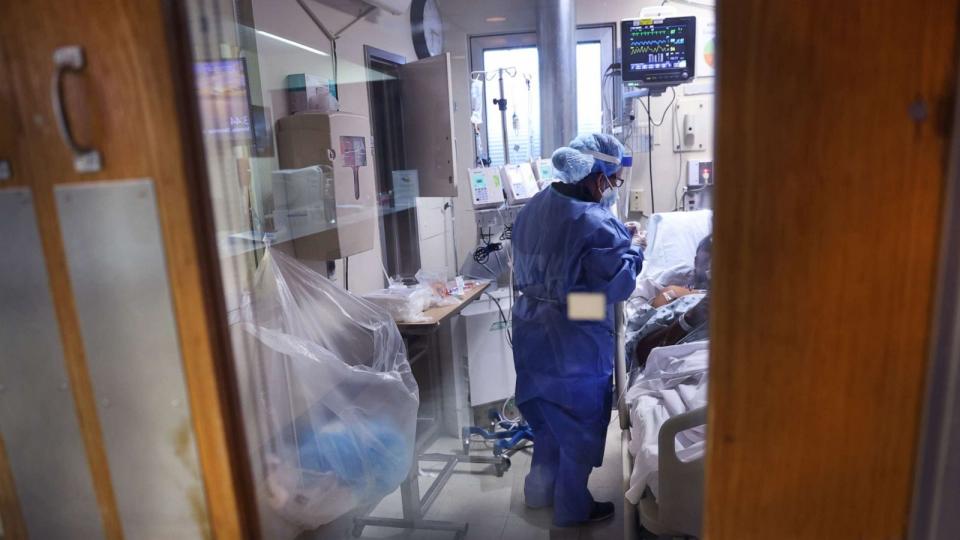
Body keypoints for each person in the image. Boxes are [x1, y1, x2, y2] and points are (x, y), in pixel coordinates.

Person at [511, 133, 643, 527]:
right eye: (613, 180)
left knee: (546, 418)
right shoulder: (595, 222)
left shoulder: (533, 206)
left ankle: (538, 492)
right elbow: (616, 287)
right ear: (597, 177)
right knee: (579, 422)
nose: (613, 188)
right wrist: (635, 246)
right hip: (575, 325)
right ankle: (572, 508)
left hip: (531, 320)